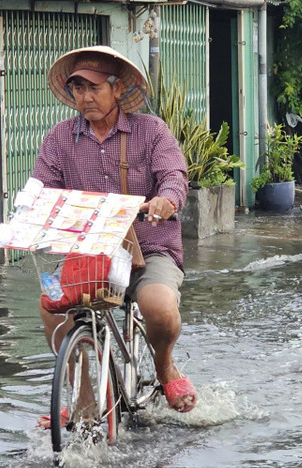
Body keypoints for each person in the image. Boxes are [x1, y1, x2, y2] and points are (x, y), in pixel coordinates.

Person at [32, 46, 196, 415]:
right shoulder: (60, 138)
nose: (85, 97)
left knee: (159, 307)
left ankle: (164, 365)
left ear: (117, 89)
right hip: (87, 254)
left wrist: (166, 199)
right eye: (77, 89)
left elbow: (174, 175)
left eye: (94, 88)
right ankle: (83, 399)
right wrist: (31, 213)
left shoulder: (151, 131)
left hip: (150, 248)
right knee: (49, 305)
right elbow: (41, 187)